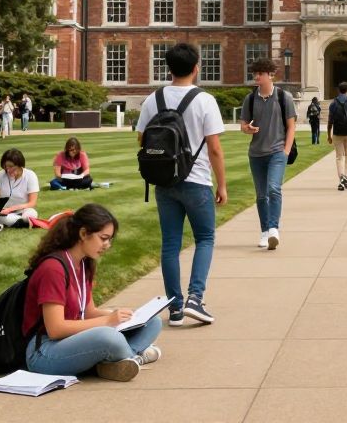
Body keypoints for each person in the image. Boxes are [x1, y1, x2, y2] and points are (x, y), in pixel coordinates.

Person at [136, 42, 226, 324]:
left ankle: (174, 308)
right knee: (205, 238)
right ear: (196, 68)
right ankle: (195, 298)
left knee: (170, 244)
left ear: (168, 68)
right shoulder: (204, 100)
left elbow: (142, 140)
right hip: (197, 180)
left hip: (164, 181)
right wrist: (222, 184)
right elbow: (214, 148)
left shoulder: (153, 99)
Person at [23, 204, 163, 381]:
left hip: (74, 339)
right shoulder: (53, 269)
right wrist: (108, 321)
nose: (107, 245)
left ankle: (120, 360)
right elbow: (55, 329)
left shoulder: (84, 264)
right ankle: (132, 356)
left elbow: (88, 313)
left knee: (153, 322)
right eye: (103, 238)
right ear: (83, 234)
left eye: (110, 240)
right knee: (109, 337)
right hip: (45, 351)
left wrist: (125, 316)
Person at [240, 57, 296, 250]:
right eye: (255, 73)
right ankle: (264, 231)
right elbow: (243, 125)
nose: (256, 77)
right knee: (261, 195)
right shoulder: (250, 99)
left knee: (274, 189)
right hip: (256, 154)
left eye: (260, 73)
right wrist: (247, 129)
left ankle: (273, 229)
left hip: (277, 152)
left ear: (270, 74)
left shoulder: (284, 97)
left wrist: (286, 151)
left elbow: (291, 126)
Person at [0, 148, 40, 227]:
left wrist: (11, 209)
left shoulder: (30, 175)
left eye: (11, 166)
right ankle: (20, 222)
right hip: (3, 212)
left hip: (23, 210)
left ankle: (19, 221)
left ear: (20, 165)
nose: (8, 170)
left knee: (31, 213)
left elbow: (32, 203)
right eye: (6, 167)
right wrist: (1, 210)